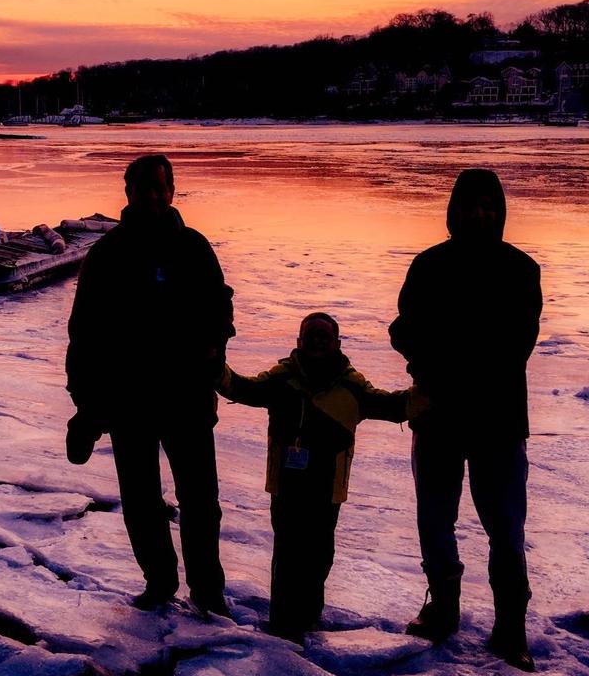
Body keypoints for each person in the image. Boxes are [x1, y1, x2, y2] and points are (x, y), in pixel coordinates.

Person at [64, 154, 235, 615]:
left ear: (173, 191)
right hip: (129, 400)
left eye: (162, 188)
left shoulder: (195, 248)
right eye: (145, 189)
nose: (155, 196)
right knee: (141, 501)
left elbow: (220, 310)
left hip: (187, 398)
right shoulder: (108, 254)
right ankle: (159, 581)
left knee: (201, 500)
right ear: (130, 194)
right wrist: (85, 403)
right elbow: (84, 331)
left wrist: (214, 349)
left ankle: (207, 590)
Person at [389, 168, 542, 671]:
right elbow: (404, 329)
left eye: (488, 206)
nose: (480, 215)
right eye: (470, 206)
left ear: (499, 212)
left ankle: (510, 627)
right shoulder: (428, 266)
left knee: (506, 528)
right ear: (454, 211)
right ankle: (443, 607)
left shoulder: (521, 270)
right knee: (435, 518)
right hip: (437, 416)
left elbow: (515, 345)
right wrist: (430, 362)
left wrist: (446, 354)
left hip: (498, 420)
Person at [218, 312, 417, 641]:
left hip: (327, 488)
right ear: (299, 341)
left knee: (319, 553)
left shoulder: (352, 386)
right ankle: (282, 625)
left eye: (324, 335)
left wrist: (427, 390)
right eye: (311, 335)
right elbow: (244, 389)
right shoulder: (283, 379)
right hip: (287, 484)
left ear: (337, 343)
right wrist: (213, 364)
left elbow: (393, 407)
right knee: (287, 551)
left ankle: (309, 617)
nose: (318, 341)